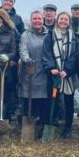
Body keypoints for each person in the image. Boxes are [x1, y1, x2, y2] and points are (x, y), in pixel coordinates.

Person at [42, 12, 79, 139]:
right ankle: (49, 124)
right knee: (51, 101)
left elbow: (75, 55)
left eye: (66, 19)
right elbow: (47, 53)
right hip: (54, 74)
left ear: (69, 22)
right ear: (57, 20)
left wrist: (67, 70)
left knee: (69, 102)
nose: (63, 21)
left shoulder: (74, 37)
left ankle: (68, 127)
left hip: (68, 75)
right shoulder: (50, 36)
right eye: (61, 19)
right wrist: (51, 68)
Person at [19, 11, 50, 139]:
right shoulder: (26, 35)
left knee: (43, 101)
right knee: (28, 99)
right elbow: (23, 50)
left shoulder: (49, 35)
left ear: (42, 20)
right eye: (34, 19)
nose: (37, 21)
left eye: (39, 19)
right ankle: (28, 127)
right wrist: (27, 60)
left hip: (45, 71)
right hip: (30, 71)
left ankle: (41, 127)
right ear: (31, 21)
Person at [0, 0, 23, 123]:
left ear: (13, 4)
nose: (8, 2)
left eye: (10, 1)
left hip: (11, 59)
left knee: (10, 89)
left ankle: (8, 116)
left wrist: (15, 59)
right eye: (6, 0)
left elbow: (20, 39)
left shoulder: (18, 19)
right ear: (2, 2)